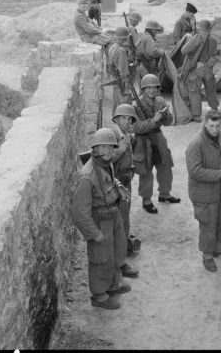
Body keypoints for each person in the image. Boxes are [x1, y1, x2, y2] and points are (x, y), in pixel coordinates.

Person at [71, 128, 134, 309]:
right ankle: (99, 295)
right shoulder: (87, 176)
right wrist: (94, 234)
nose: (106, 151)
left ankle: (113, 285)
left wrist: (119, 185)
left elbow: (109, 181)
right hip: (100, 219)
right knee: (101, 257)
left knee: (115, 251)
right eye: (102, 147)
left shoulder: (106, 164)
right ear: (95, 149)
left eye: (110, 147)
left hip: (112, 214)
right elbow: (79, 212)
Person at [186, 110, 221, 272]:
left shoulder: (220, 137)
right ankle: (207, 255)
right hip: (203, 192)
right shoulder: (196, 144)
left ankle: (219, 247)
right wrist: (219, 174)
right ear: (205, 124)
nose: (215, 129)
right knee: (208, 224)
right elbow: (195, 170)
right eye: (211, 126)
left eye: (217, 125)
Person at [132, 74, 180, 214]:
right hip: (143, 141)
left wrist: (166, 115)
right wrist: (154, 120)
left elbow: (168, 122)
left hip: (158, 138)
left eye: (154, 88)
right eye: (148, 88)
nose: (152, 91)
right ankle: (146, 200)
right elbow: (135, 127)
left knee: (165, 167)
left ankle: (165, 194)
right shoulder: (136, 105)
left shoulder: (160, 101)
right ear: (144, 89)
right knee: (146, 171)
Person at [111, 104, 141, 275]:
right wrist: (121, 149)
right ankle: (120, 262)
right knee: (120, 220)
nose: (127, 121)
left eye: (130, 118)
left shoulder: (125, 134)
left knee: (125, 217)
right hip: (117, 183)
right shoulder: (113, 134)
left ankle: (123, 247)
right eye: (124, 118)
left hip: (125, 180)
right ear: (116, 119)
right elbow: (106, 158)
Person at [178, 19, 219, 122]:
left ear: (199, 28)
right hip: (208, 68)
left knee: (194, 91)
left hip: (197, 67)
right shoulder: (213, 39)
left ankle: (196, 115)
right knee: (211, 89)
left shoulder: (197, 37)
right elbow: (214, 54)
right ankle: (214, 109)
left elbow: (184, 50)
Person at [107, 26, 133, 115]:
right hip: (122, 81)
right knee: (125, 106)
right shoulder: (121, 51)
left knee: (117, 103)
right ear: (124, 38)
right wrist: (127, 85)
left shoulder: (112, 47)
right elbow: (124, 71)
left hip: (115, 78)